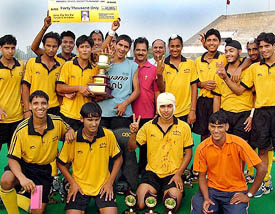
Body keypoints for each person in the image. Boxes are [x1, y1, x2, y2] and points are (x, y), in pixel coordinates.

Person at [215, 32, 275, 197]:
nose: (262, 50)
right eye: (260, 47)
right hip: (262, 113)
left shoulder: (248, 65)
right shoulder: (254, 68)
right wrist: (225, 77)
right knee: (262, 149)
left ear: (274, 46)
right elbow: (240, 90)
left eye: (266, 46)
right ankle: (264, 182)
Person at [0, 90, 74, 214]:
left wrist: (70, 130)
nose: (40, 107)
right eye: (35, 103)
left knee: (37, 211)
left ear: (48, 105)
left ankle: (19, 198)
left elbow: (68, 128)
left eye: (43, 103)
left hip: (43, 172)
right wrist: (22, 178)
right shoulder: (21, 129)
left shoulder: (57, 122)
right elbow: (12, 159)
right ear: (29, 106)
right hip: (24, 166)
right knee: (6, 180)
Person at [128, 92, 193, 212]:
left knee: (171, 206)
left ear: (174, 107)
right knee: (140, 204)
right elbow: (131, 148)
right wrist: (133, 133)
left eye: (169, 106)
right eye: (162, 106)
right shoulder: (148, 126)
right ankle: (156, 192)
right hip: (152, 173)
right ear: (158, 107)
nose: (166, 110)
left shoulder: (184, 127)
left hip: (173, 174)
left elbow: (189, 153)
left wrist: (179, 174)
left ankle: (161, 194)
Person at [191, 111, 266, 214]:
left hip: (235, 191)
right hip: (212, 190)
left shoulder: (239, 143)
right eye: (213, 126)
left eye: (220, 127)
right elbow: (202, 176)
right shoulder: (202, 148)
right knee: (201, 211)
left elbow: (262, 169)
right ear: (208, 127)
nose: (216, 131)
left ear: (227, 127)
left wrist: (249, 195)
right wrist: (206, 198)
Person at [57, 102, 123, 214]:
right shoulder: (73, 138)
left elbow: (119, 158)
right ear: (82, 119)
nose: (94, 124)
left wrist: (109, 183)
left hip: (103, 186)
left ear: (100, 119)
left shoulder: (108, 135)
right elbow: (61, 163)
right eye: (90, 120)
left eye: (96, 119)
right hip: (80, 187)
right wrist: (72, 183)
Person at [212, 38, 254, 142]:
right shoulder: (220, 72)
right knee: (225, 147)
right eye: (226, 51)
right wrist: (216, 118)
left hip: (243, 114)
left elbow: (239, 91)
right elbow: (217, 97)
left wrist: (226, 77)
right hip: (225, 113)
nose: (228, 54)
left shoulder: (248, 70)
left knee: (241, 147)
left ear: (239, 52)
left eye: (231, 51)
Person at [56, 35, 97, 131]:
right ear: (77, 49)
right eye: (82, 47)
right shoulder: (68, 65)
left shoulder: (95, 69)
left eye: (87, 47)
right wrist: (78, 88)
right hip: (67, 113)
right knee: (66, 143)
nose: (85, 50)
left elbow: (96, 93)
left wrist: (92, 93)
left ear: (91, 49)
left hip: (86, 116)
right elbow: (59, 87)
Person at [192, 29, 226, 141]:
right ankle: (206, 156)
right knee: (204, 134)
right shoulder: (197, 61)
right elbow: (193, 82)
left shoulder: (224, 58)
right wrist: (202, 84)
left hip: (218, 101)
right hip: (202, 102)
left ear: (220, 42)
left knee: (218, 133)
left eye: (215, 40)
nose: (212, 43)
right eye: (209, 40)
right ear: (205, 42)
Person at [156, 34, 198, 125]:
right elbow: (161, 89)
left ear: (182, 47)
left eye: (177, 46)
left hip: (185, 112)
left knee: (186, 138)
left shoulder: (190, 63)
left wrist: (193, 110)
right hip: (168, 112)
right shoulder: (162, 65)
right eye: (172, 46)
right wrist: (159, 74)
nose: (175, 49)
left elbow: (194, 87)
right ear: (168, 47)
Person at [132, 37, 160, 174]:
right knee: (129, 145)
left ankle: (144, 173)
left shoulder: (154, 69)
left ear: (147, 51)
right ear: (134, 50)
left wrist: (156, 110)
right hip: (129, 114)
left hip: (148, 113)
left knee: (145, 147)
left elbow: (156, 91)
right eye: (138, 50)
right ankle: (130, 172)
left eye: (143, 50)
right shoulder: (130, 66)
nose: (140, 52)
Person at [22, 31, 62, 118]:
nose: (51, 49)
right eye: (48, 46)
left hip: (54, 107)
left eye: (54, 46)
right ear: (43, 46)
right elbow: (25, 86)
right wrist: (27, 109)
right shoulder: (32, 62)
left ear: (58, 47)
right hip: (35, 106)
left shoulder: (61, 65)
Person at [0, 35, 24, 152]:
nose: (10, 51)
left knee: (13, 151)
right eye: (6, 48)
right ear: (0, 48)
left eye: (13, 48)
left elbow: (25, 87)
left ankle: (12, 171)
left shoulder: (21, 65)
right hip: (1, 118)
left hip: (17, 117)